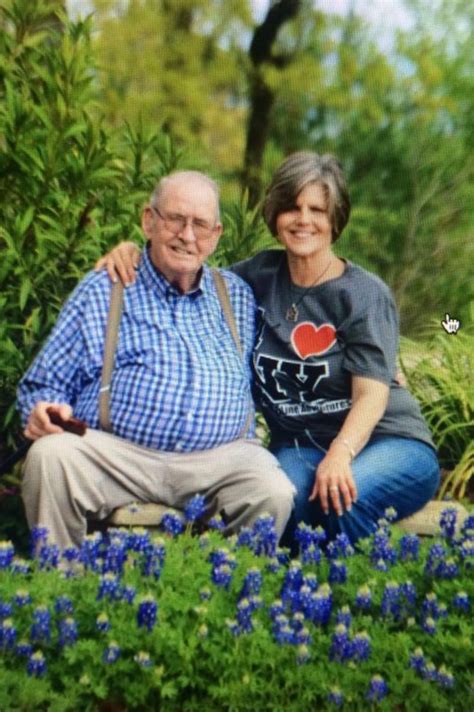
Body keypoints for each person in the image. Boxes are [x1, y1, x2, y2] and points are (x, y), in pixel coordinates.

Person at [97, 153, 440, 545]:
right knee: (284, 502)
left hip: (386, 441)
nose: (303, 220)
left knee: (345, 497)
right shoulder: (254, 278)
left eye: (317, 210)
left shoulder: (362, 294)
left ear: (335, 219)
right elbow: (187, 269)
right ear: (276, 214)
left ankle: (361, 596)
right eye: (292, 207)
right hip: (299, 445)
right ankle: (288, 597)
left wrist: (340, 455)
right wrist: (133, 253)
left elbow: (371, 397)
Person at [17, 170, 295, 550]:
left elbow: (303, 318)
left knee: (272, 490)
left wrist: (366, 359)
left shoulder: (238, 295)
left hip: (218, 462)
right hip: (119, 458)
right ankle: (60, 586)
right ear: (149, 221)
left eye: (200, 225)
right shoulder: (105, 288)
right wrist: (42, 409)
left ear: (216, 237)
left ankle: (221, 599)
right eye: (175, 219)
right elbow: (43, 384)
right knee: (51, 455)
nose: (187, 235)